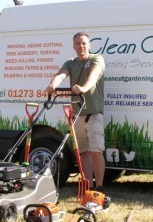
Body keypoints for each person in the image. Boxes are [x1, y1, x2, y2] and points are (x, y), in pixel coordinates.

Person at [46, 32, 106, 192]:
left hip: (93, 113)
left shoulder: (96, 59)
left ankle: (99, 187)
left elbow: (94, 76)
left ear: (89, 45)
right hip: (77, 114)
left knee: (96, 151)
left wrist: (83, 88)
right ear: (73, 46)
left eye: (84, 43)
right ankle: (88, 186)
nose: (81, 46)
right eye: (78, 43)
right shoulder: (70, 63)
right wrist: (53, 85)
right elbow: (61, 75)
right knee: (83, 152)